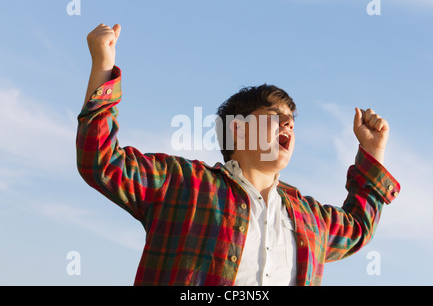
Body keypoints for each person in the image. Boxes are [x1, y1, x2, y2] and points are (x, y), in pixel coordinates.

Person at [76, 23, 400, 286]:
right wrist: (103, 66)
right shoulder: (184, 184)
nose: (287, 122)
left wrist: (373, 152)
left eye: (291, 120)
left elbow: (358, 227)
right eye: (273, 115)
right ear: (239, 130)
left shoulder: (310, 219)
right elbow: (101, 161)